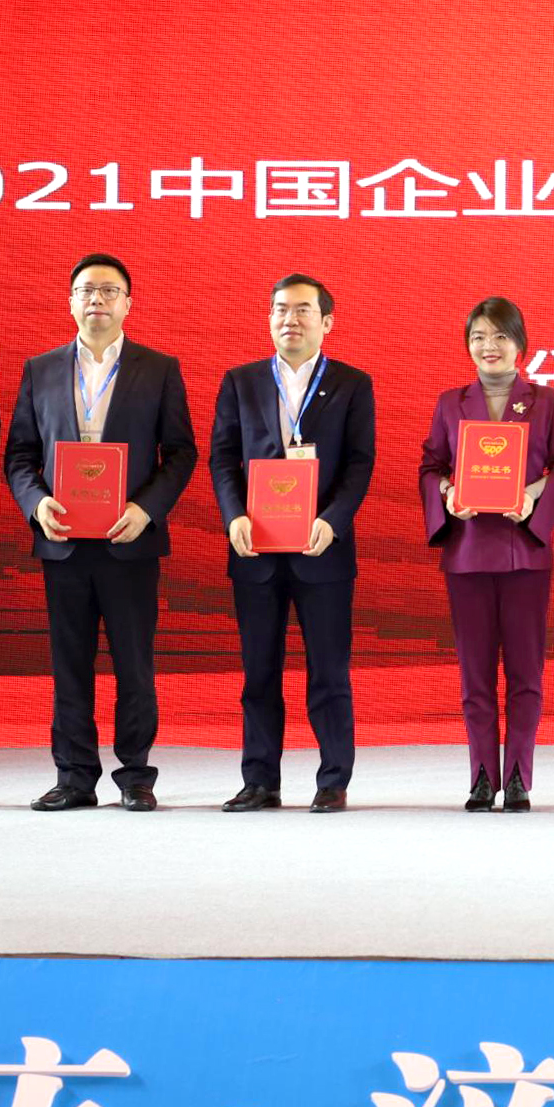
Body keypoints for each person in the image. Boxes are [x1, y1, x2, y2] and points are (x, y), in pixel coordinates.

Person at [3, 253, 197, 813]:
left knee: (134, 665)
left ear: (128, 303)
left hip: (128, 541)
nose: (97, 299)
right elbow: (19, 454)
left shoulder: (158, 369)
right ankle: (74, 777)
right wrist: (36, 503)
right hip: (63, 542)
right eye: (86, 290)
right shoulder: (41, 370)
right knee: (69, 666)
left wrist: (147, 509)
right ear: (70, 302)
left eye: (110, 290)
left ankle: (136, 775)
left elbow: (180, 452)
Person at [208, 274, 376, 815]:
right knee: (259, 672)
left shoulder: (351, 384)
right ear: (269, 318)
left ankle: (333, 779)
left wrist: (333, 520)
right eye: (281, 309)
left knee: (329, 671)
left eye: (303, 310)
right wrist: (233, 516)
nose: (290, 319)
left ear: (326, 322)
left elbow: (359, 463)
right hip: (255, 549)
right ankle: (259, 780)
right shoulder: (241, 381)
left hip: (321, 549)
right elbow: (222, 457)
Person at [418, 297, 554, 812]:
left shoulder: (545, 401)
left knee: (526, 675)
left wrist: (533, 496)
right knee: (475, 675)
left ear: (520, 344)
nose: (489, 346)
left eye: (500, 337)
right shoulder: (451, 402)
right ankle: (482, 776)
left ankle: (518, 779)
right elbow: (431, 467)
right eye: (479, 337)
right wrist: (448, 492)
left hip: (525, 552)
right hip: (467, 554)